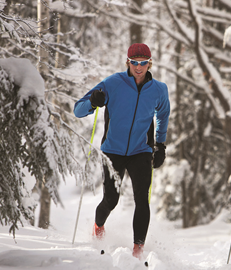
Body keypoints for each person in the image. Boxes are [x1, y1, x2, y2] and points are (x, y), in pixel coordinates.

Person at [73, 43, 170, 260]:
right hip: (113, 151)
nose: (139, 67)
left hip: (141, 151)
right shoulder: (113, 83)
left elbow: (163, 116)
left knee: (142, 199)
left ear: (149, 63)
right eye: (134, 62)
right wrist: (93, 101)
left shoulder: (158, 89)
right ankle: (98, 226)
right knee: (111, 200)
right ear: (128, 62)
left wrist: (160, 145)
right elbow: (78, 110)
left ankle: (138, 251)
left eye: (143, 62)